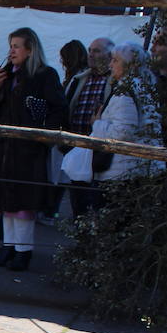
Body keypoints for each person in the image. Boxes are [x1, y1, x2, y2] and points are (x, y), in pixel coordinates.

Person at [0, 27, 68, 271]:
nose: (11, 51)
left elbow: (59, 109)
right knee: (6, 202)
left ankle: (23, 252)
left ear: (30, 50)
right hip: (5, 150)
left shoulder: (45, 75)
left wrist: (41, 136)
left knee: (22, 204)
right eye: (10, 45)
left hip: (27, 151)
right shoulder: (8, 76)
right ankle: (8, 248)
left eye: (17, 46)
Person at [81, 43, 163, 189]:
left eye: (115, 60)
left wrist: (97, 124)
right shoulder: (145, 87)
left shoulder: (125, 92)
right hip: (140, 166)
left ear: (128, 65)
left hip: (123, 171)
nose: (110, 64)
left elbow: (123, 132)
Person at [61, 36, 115, 217]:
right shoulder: (79, 79)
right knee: (78, 199)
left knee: (96, 199)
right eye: (90, 50)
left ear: (109, 55)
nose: (91, 54)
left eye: (96, 51)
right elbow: (66, 106)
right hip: (76, 146)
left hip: (100, 150)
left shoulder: (115, 82)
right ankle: (79, 236)